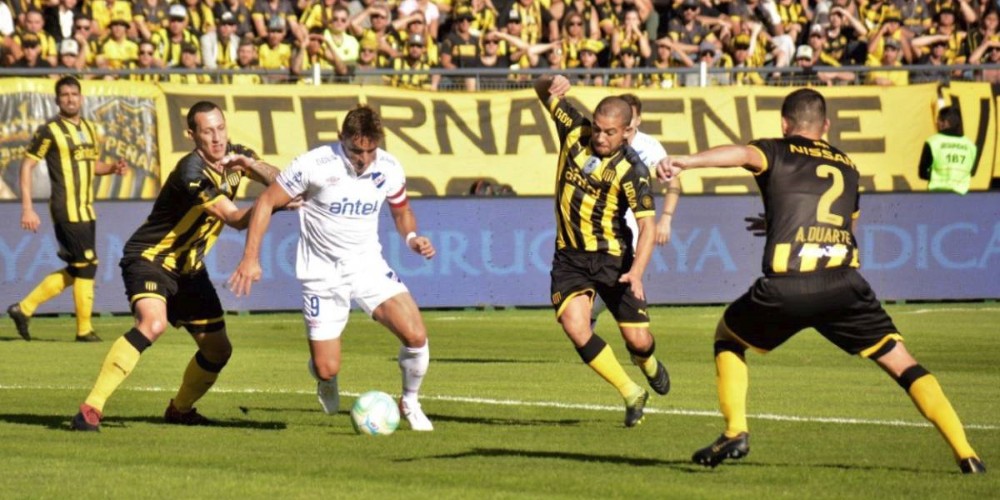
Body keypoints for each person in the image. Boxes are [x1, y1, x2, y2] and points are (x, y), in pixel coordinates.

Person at [657, 88, 985, 474]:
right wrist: (783, 222)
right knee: (901, 361)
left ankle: (735, 431)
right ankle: (966, 453)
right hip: (843, 285)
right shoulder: (847, 165)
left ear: (785, 124)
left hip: (789, 285)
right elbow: (846, 225)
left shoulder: (775, 150)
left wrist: (687, 161)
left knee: (727, 337)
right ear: (825, 125)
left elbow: (742, 154)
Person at [70, 101, 281, 432]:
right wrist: (271, 203)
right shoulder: (190, 173)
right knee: (153, 323)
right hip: (150, 258)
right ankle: (90, 409)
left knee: (218, 350)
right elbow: (236, 219)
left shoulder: (237, 156)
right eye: (207, 131)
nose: (217, 138)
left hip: (189, 269)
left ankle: (180, 410)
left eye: (221, 128)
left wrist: (254, 165)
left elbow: (283, 183)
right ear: (191, 135)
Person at [227, 105, 436, 432]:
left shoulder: (389, 167)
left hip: (368, 267)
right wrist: (250, 257)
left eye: (370, 150)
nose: (363, 158)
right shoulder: (314, 164)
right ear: (341, 138)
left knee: (416, 335)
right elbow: (267, 201)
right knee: (326, 367)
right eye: (356, 150)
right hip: (321, 275)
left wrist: (411, 237)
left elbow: (401, 210)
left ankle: (410, 402)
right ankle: (324, 378)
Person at [534, 74, 669, 428]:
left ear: (626, 132)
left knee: (638, 341)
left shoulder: (633, 170)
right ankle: (631, 392)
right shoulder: (573, 130)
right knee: (575, 325)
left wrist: (636, 272)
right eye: (597, 128)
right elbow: (540, 89)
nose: (600, 137)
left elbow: (647, 226)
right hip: (570, 256)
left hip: (614, 260)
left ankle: (647, 362)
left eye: (610, 132)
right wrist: (550, 81)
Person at [8, 76, 125, 342]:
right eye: (65, 95)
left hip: (86, 209)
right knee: (88, 265)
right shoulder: (49, 130)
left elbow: (91, 165)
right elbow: (26, 165)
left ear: (81, 98)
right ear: (57, 100)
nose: (70, 99)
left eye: (74, 94)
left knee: (78, 268)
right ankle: (84, 330)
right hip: (66, 208)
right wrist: (27, 208)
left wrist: (111, 168)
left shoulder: (89, 128)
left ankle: (23, 308)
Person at [590, 93, 681, 332]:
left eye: (630, 119)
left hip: (632, 227)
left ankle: (597, 320)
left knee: (618, 280)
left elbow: (673, 182)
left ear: (637, 120)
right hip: (597, 224)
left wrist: (666, 219)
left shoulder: (649, 148)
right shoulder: (600, 143)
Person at [917, 105, 977, 195]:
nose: (936, 123)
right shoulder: (970, 145)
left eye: (938, 120)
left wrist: (939, 178)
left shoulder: (933, 142)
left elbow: (922, 173)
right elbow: (972, 172)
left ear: (944, 123)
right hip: (962, 197)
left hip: (936, 196)